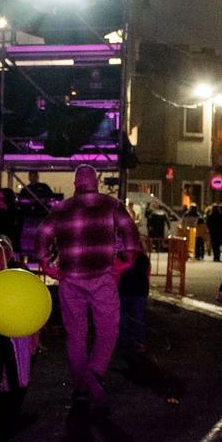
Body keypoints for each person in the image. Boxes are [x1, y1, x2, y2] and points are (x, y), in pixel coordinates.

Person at [36, 165, 141, 407]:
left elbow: (43, 233)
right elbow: (128, 228)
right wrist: (128, 260)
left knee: (76, 335)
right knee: (108, 330)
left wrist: (46, 263)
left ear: (75, 184)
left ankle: (81, 388)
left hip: (70, 278)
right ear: (96, 182)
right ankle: (94, 372)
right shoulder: (110, 204)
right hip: (102, 276)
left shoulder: (61, 208)